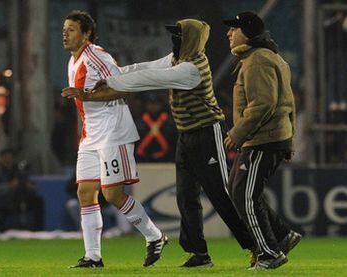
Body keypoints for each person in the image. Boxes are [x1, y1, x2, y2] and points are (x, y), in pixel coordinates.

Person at [63, 18, 259, 267]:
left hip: (206, 132)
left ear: (190, 39)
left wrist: (98, 89)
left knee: (220, 193)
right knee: (185, 196)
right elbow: (145, 67)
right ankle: (197, 254)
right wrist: (120, 74)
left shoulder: (192, 67)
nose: (174, 40)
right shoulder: (175, 58)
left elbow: (151, 78)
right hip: (184, 133)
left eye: (179, 36)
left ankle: (258, 244)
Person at [61, 10, 167, 268]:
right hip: (90, 136)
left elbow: (124, 87)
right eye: (64, 29)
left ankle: (155, 237)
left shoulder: (96, 55)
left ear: (86, 34)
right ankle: (93, 256)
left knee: (112, 194)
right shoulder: (72, 61)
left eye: (72, 29)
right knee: (85, 193)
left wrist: (85, 95)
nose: (65, 33)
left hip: (112, 132)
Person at [223, 11, 302, 269]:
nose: (229, 33)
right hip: (267, 138)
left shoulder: (258, 60)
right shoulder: (265, 57)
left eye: (234, 29)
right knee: (239, 191)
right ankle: (281, 236)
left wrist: (237, 133)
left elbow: (264, 104)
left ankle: (270, 253)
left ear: (247, 31)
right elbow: (289, 103)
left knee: (245, 195)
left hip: (262, 139)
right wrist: (289, 139)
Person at [0, 149, 44, 234]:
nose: (9, 160)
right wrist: (8, 186)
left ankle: (38, 232)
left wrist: (29, 187)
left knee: (38, 201)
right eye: (6, 158)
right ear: (1, 158)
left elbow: (30, 185)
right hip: (1, 201)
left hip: (17, 199)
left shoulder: (17, 169)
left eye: (10, 158)